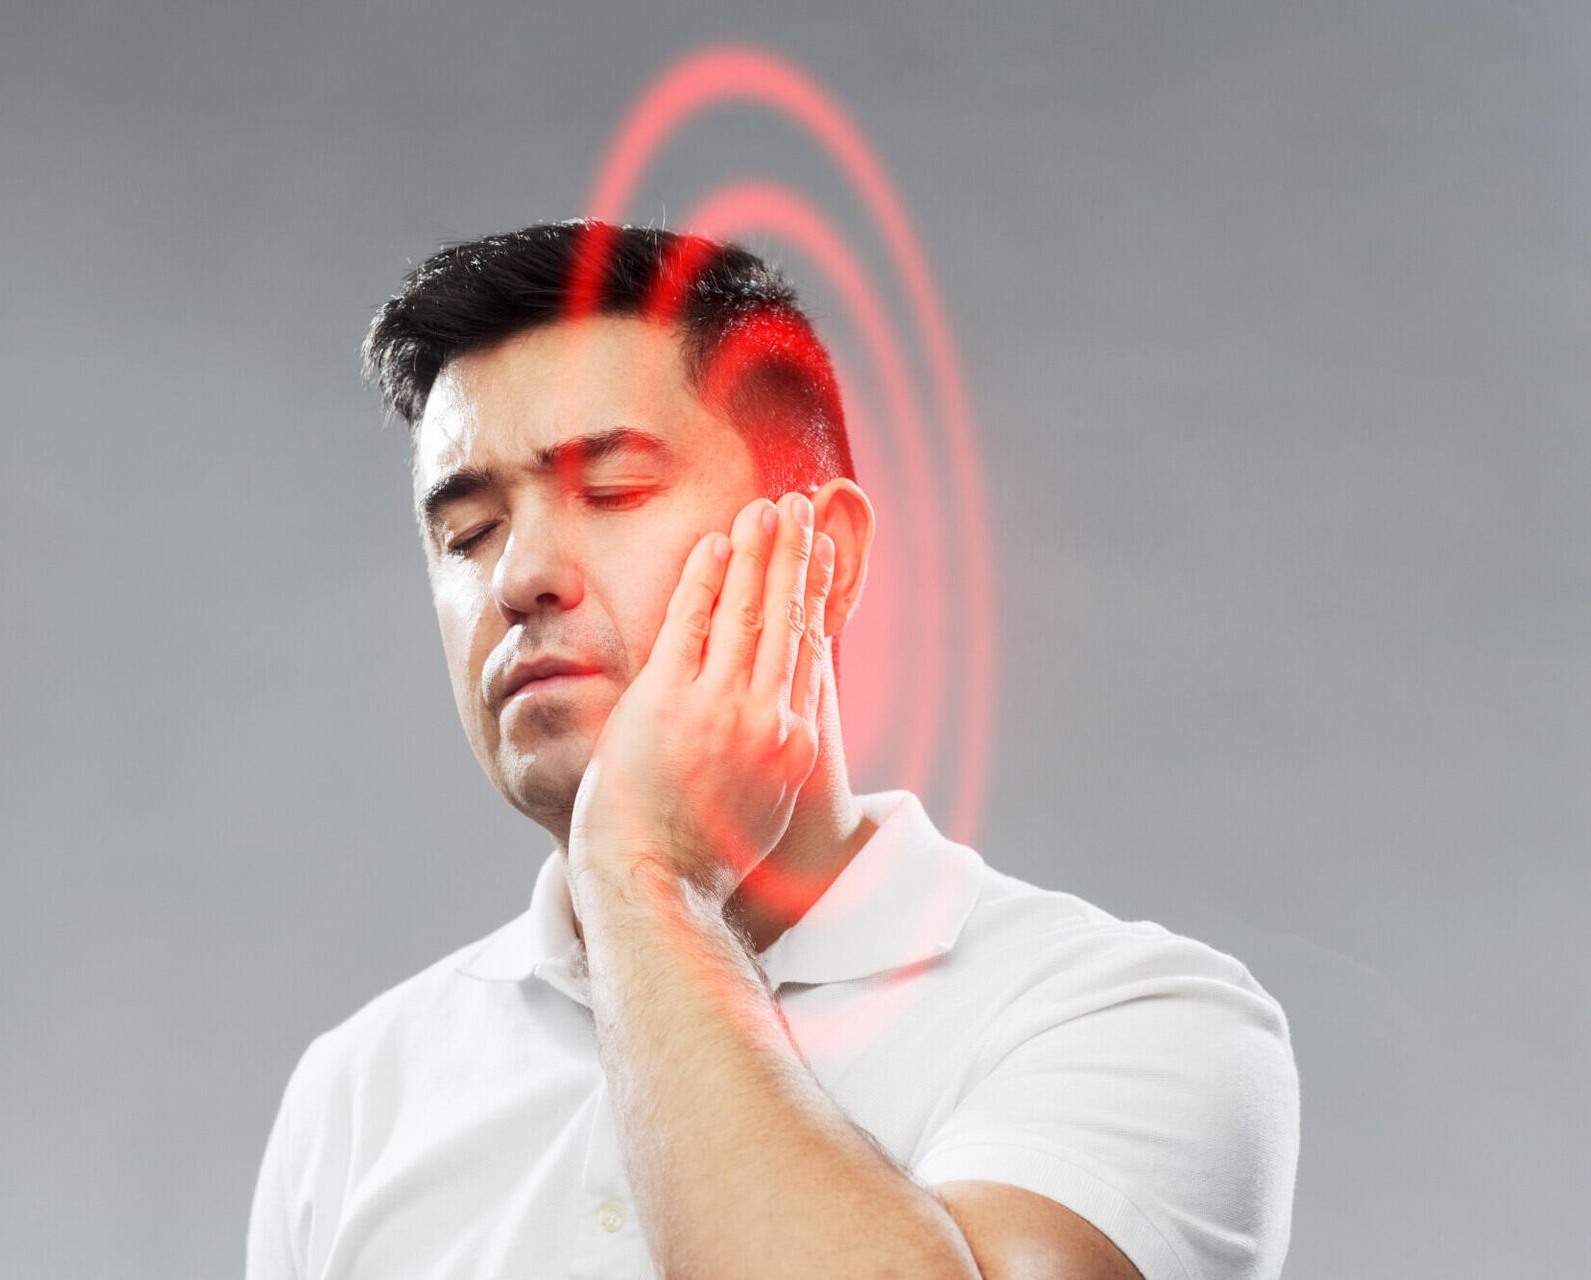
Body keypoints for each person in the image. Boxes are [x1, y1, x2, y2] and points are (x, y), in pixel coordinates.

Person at [246, 221, 1300, 1279]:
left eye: (609, 490)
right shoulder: (354, 1096)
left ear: (823, 558)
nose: (520, 574)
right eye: (467, 534)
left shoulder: (1129, 1020)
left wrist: (644, 879)